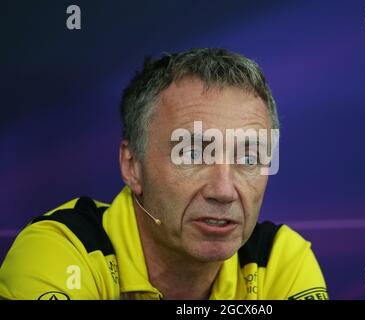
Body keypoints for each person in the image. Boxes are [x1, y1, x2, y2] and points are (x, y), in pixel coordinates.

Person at [0, 48, 327, 300]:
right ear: (132, 165)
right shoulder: (60, 252)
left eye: (248, 156)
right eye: (194, 154)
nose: (224, 190)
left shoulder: (280, 260)